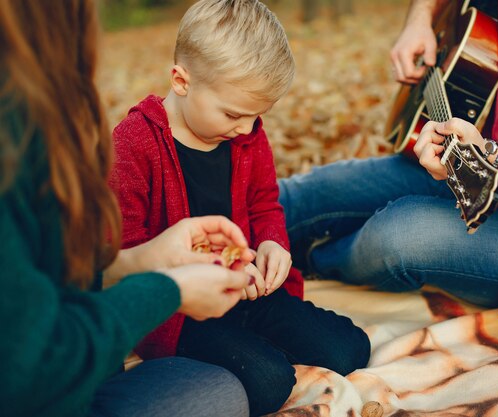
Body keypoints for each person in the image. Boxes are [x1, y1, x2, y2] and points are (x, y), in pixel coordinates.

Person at [278, 0, 498, 331]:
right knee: (310, 193)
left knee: (400, 236)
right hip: (479, 162)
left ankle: (313, 262)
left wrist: (489, 156)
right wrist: (420, 21)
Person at [110, 1, 370, 415]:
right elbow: (129, 247)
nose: (247, 129)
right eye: (234, 114)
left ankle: (259, 345)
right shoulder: (134, 145)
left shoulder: (245, 135)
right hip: (183, 310)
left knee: (349, 349)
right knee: (269, 382)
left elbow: (265, 204)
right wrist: (216, 268)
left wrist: (272, 244)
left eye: (257, 116)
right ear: (181, 80)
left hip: (250, 290)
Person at [0, 1, 259, 416]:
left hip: (78, 368)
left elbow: (38, 284)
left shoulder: (33, 116)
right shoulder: (21, 135)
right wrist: (167, 292)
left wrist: (136, 262)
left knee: (224, 389)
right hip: (47, 391)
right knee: (228, 391)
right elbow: (31, 366)